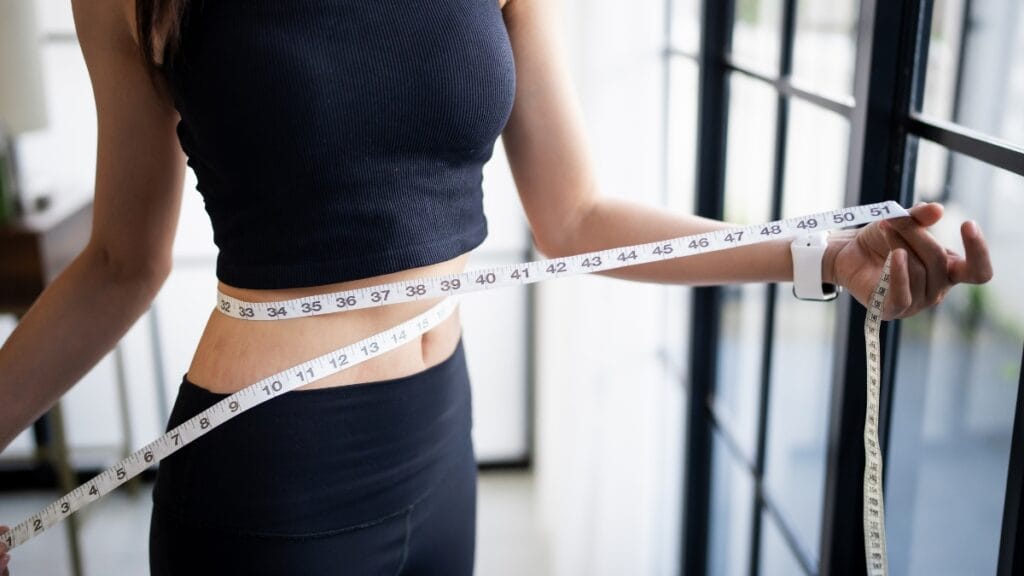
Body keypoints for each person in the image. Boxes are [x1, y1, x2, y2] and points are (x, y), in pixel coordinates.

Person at [0, 0, 994, 574]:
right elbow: (123, 265)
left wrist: (820, 254)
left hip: (441, 442)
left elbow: (576, 219)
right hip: (272, 479)